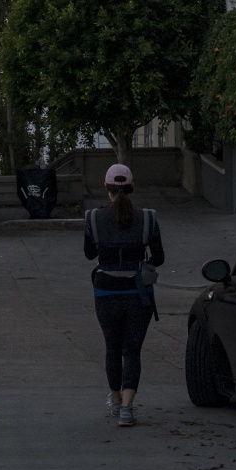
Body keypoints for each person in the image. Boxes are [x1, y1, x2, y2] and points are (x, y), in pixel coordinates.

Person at [85, 163, 165, 427]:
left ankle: (115, 399)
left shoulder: (94, 218)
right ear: (131, 187)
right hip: (137, 292)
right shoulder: (148, 218)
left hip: (106, 291)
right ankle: (128, 410)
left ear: (106, 187)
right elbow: (159, 257)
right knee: (132, 350)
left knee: (112, 347)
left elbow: (90, 254)